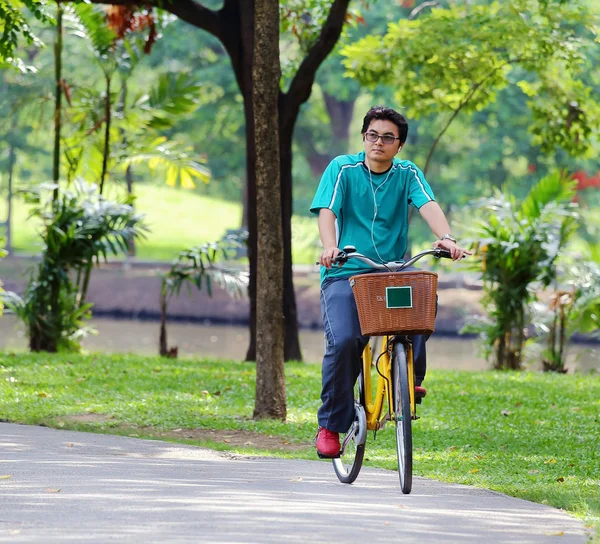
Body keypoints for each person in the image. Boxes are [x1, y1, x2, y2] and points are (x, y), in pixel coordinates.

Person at [310, 105, 471, 458]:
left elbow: (427, 204)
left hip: (391, 271)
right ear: (363, 137)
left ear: (399, 145)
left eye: (387, 137)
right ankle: (330, 425)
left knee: (421, 298)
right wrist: (330, 247)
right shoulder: (343, 168)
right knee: (345, 342)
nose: (378, 142)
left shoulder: (407, 173)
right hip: (345, 271)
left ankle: (410, 379)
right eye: (372, 135)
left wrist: (446, 237)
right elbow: (328, 211)